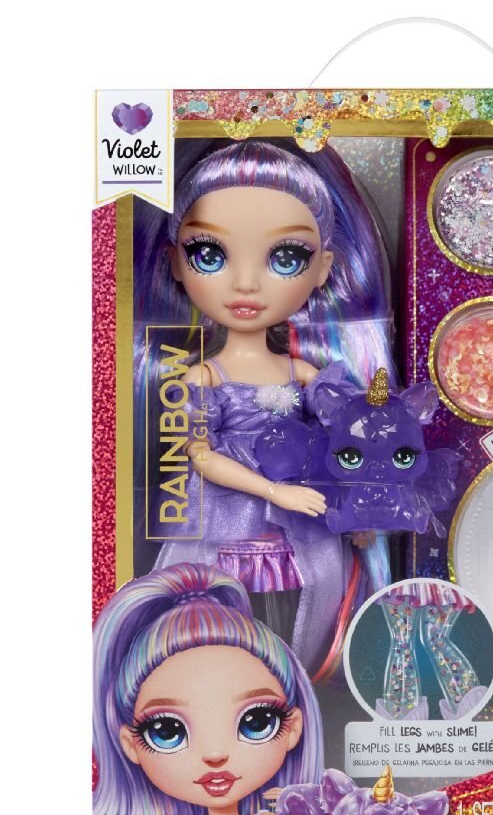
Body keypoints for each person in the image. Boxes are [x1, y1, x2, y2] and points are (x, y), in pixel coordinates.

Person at [135, 139, 394, 675]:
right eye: (209, 254)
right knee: (219, 609)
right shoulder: (203, 376)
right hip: (225, 518)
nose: (247, 283)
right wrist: (275, 491)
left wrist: (357, 509)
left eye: (286, 257)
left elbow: (347, 441)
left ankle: (286, 682)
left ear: (323, 268)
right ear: (175, 263)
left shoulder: (306, 375)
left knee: (297, 611)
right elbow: (199, 456)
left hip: (297, 525)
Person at [92, 563, 324, 815]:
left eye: (256, 722)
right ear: (130, 744)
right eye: (167, 731)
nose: (215, 754)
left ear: (293, 728)